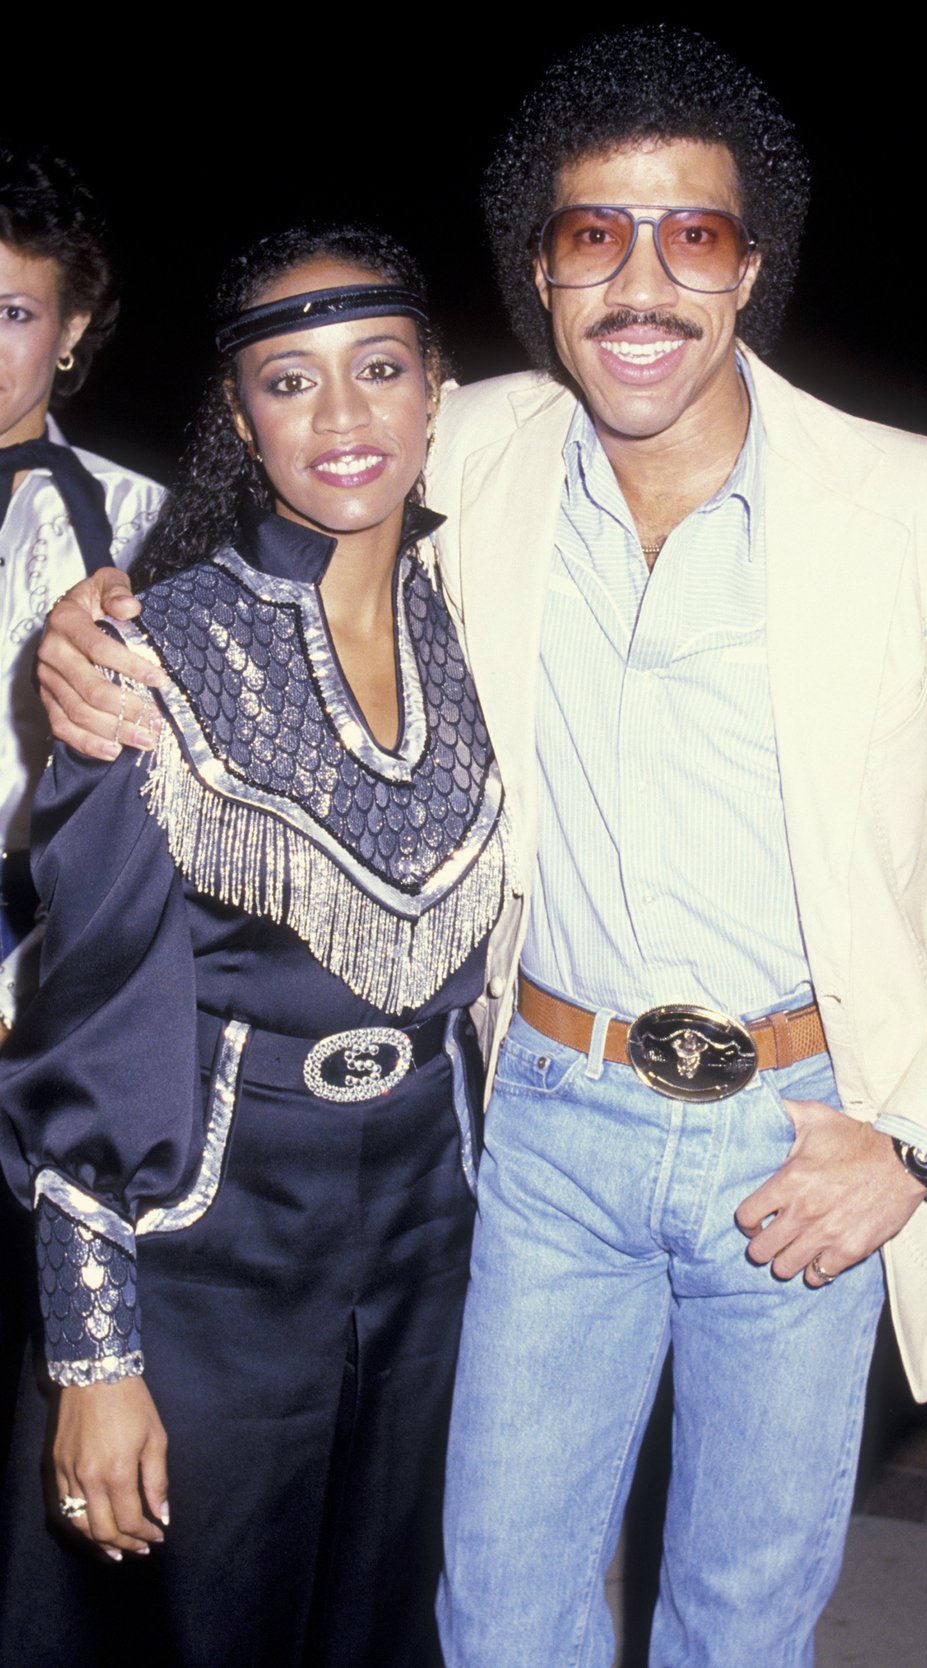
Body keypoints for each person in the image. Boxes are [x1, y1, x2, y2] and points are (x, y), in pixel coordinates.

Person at [34, 26, 927, 1666]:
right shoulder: (467, 441)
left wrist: (911, 1138)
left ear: (747, 264)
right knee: (494, 1620)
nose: (640, 281)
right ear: (542, 272)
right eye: (592, 236)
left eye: (688, 234)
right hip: (545, 1129)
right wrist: (97, 608)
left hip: (803, 1143)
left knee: (735, 1625)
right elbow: (274, 469)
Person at [0, 221, 514, 1668]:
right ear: (240, 416)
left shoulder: (494, 614)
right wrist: (95, 1362)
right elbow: (89, 1027)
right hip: (210, 1256)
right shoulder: (146, 653)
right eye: (290, 382)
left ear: (437, 392)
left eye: (380, 370)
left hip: (441, 1245)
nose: (344, 418)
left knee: (387, 1615)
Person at [0, 140, 162, 1039]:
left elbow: (161, 826)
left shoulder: (147, 528)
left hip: (47, 976)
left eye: (11, 312)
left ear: (68, 331)